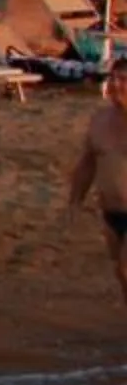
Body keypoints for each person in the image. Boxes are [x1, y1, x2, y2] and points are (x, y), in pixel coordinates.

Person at [64, 68, 127, 310]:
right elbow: (87, 164)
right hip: (112, 213)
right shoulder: (100, 120)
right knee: (121, 276)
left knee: (125, 268)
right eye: (113, 78)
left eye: (123, 80)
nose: (115, 85)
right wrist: (75, 201)